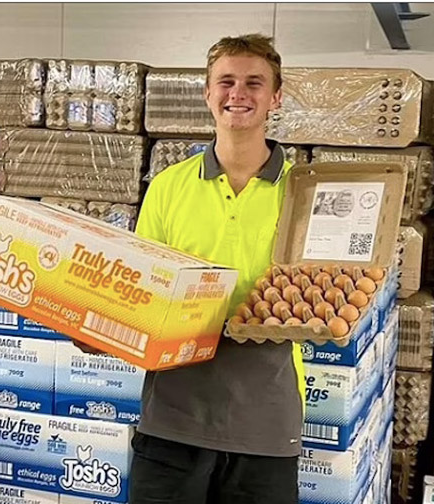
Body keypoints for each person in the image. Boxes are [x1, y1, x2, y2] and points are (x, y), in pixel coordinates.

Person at [129, 34, 306, 504]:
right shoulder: (168, 187)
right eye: (226, 82)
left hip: (265, 420)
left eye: (254, 82)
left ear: (276, 97)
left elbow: (322, 292)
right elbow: (142, 289)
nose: (238, 93)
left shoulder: (305, 192)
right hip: (172, 416)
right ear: (208, 94)